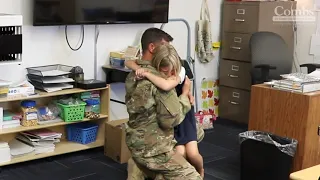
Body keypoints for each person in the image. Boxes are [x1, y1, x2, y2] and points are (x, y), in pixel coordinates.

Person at [126, 29, 204, 178]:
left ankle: (140, 168)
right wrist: (184, 96)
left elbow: (129, 62)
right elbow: (170, 120)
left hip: (134, 144)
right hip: (155, 152)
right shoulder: (162, 85)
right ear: (152, 47)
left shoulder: (133, 75)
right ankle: (144, 168)